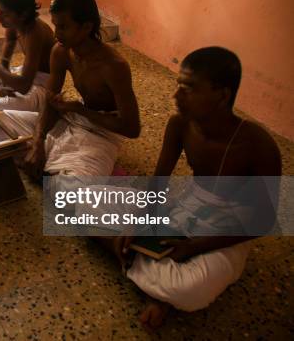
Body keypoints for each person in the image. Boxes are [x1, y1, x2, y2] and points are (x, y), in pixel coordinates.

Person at [101, 47, 282, 330]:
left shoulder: (258, 144)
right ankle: (151, 280)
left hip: (229, 227)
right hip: (187, 204)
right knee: (92, 207)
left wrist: (195, 246)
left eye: (189, 89)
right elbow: (159, 183)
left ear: (222, 95)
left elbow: (265, 219)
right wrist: (139, 223)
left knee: (190, 289)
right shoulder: (180, 124)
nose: (176, 96)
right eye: (178, 86)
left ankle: (144, 277)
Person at [10, 0, 140, 177]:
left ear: (86, 27)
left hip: (103, 133)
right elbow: (49, 102)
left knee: (72, 194)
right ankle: (55, 163)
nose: (56, 34)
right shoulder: (61, 52)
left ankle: (72, 168)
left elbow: (132, 128)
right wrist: (38, 142)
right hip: (72, 119)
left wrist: (79, 109)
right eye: (55, 25)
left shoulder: (113, 66)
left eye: (63, 27)